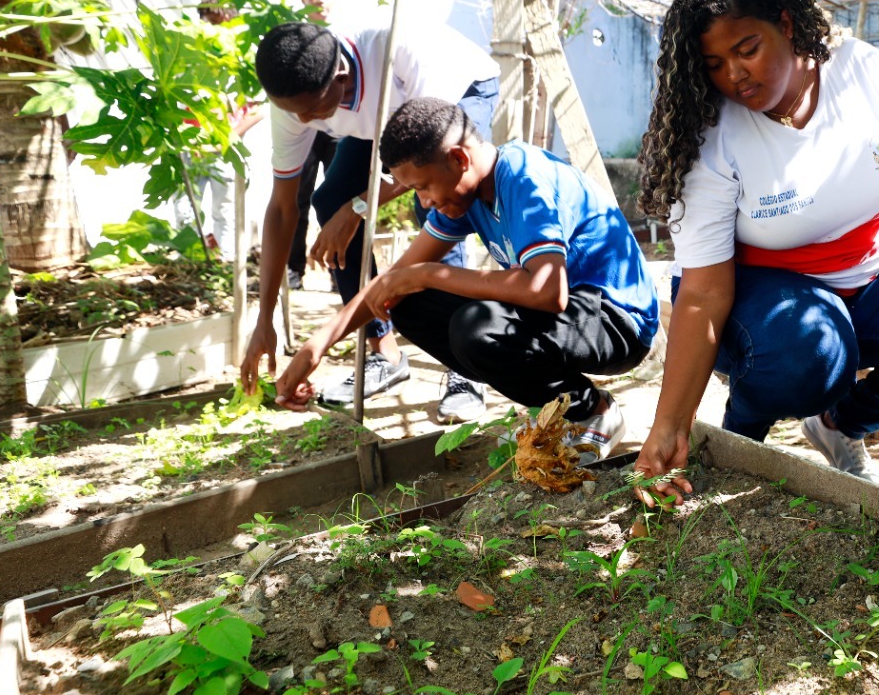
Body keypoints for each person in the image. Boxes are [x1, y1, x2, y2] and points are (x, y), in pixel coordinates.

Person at [632, 0, 879, 497]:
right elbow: (703, 293)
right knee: (811, 353)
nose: (733, 75)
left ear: (787, 24)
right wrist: (669, 426)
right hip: (749, 298)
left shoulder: (862, 73)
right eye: (714, 63)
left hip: (867, 275)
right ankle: (737, 440)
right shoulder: (711, 134)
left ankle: (841, 424)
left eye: (746, 49)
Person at [273, 96, 658, 461]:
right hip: (568, 319)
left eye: (423, 187)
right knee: (405, 302)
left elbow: (546, 291)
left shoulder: (524, 178)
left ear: (459, 159)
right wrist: (317, 345)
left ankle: (592, 411)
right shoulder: (466, 198)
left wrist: (431, 274)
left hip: (616, 322)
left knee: (477, 328)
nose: (424, 202)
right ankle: (554, 409)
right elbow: (393, 282)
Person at [242, 21, 500, 420]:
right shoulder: (296, 102)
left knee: (438, 205)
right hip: (383, 117)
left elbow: (431, 162)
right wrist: (265, 318)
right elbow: (281, 208)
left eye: (313, 110)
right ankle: (385, 353)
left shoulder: (404, 52)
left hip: (460, 88)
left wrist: (360, 207)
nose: (305, 121)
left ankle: (466, 369)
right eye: (296, 113)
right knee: (330, 200)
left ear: (341, 76)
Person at [172, 0, 265, 259]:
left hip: (224, 149)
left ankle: (226, 262)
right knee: (184, 207)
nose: (212, 28)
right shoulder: (189, 57)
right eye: (208, 21)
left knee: (224, 209)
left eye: (218, 22)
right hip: (191, 145)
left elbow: (257, 111)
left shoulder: (243, 61)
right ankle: (193, 259)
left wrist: (225, 139)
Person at [287, 0, 339, 291]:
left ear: (333, 0)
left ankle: (338, 273)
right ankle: (294, 270)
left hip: (338, 129)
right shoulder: (296, 38)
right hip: (305, 128)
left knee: (336, 197)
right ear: (303, 1)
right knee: (297, 199)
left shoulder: (343, 36)